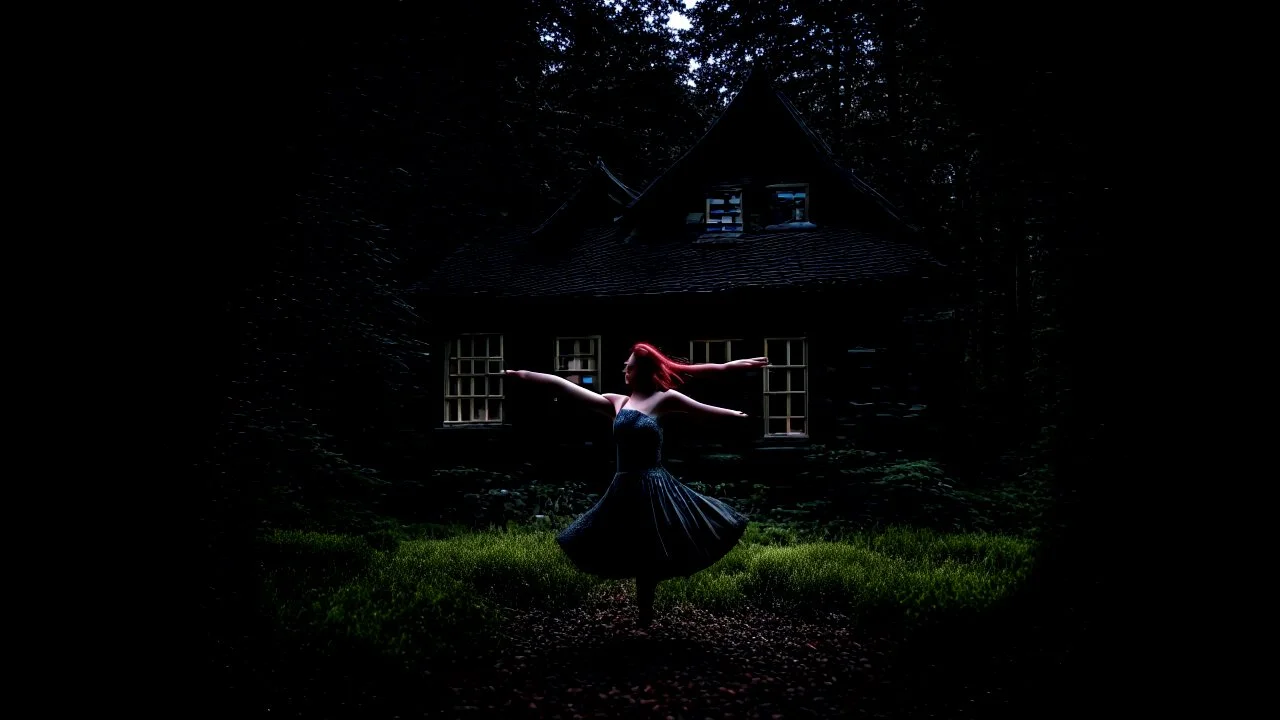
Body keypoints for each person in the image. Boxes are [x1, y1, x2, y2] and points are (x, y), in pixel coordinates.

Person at [504, 343, 766, 628]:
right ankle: (642, 615)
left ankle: (645, 616)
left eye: (629, 366)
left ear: (642, 370)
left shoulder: (663, 399)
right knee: (623, 544)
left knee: (653, 549)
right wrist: (521, 375)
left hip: (654, 485)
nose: (624, 370)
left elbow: (702, 410)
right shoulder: (617, 403)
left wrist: (736, 413)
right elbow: (562, 387)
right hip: (624, 488)